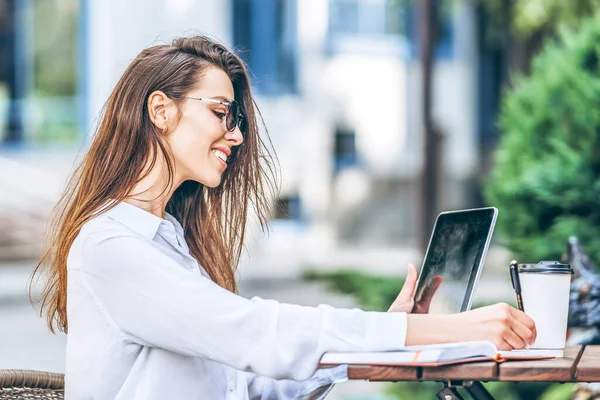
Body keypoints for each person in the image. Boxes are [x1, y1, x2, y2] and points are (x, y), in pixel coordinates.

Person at [31, 36, 536, 400]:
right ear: (160, 110)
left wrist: (379, 342)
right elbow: (256, 333)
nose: (235, 135)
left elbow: (241, 383)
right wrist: (451, 330)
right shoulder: (110, 246)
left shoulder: (166, 238)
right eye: (221, 112)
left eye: (237, 121)